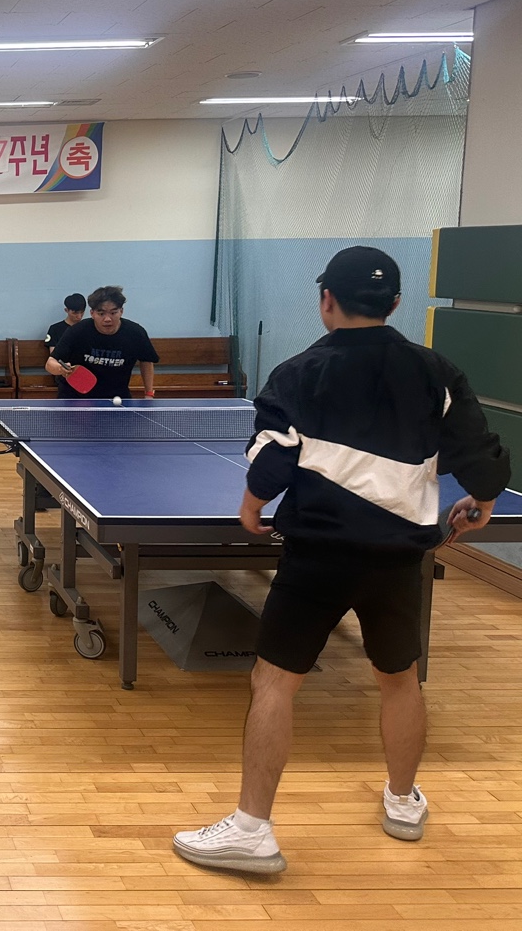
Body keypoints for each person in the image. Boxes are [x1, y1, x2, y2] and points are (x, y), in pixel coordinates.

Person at [173, 246, 511, 874]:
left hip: (318, 556)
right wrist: (484, 500)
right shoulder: (437, 371)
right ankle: (403, 802)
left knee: (275, 682)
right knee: (400, 679)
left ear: (326, 299)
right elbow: (479, 452)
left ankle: (251, 830)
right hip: (397, 562)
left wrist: (252, 504)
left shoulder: (300, 372)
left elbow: (273, 457)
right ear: (396, 303)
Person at [45, 285, 159, 399]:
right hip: (76, 398)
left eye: (113, 313)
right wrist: (60, 369)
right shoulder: (77, 331)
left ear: (121, 311)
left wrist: (149, 393)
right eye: (101, 313)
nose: (107, 319)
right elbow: (50, 363)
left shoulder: (136, 333)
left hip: (117, 397)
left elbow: (146, 361)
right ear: (92, 313)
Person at [43, 293, 87, 388]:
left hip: (85, 371)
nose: (79, 316)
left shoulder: (87, 328)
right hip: (64, 373)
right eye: (75, 313)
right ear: (66, 310)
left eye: (82, 312)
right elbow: (54, 356)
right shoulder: (55, 329)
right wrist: (63, 367)